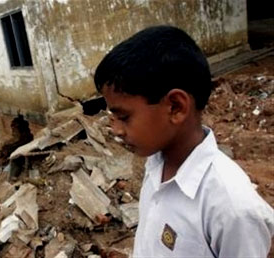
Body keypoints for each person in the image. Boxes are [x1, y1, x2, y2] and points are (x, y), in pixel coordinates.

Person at [94, 25, 274, 257]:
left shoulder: (231, 208)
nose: (116, 130)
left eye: (124, 117)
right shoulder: (157, 162)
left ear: (176, 107)